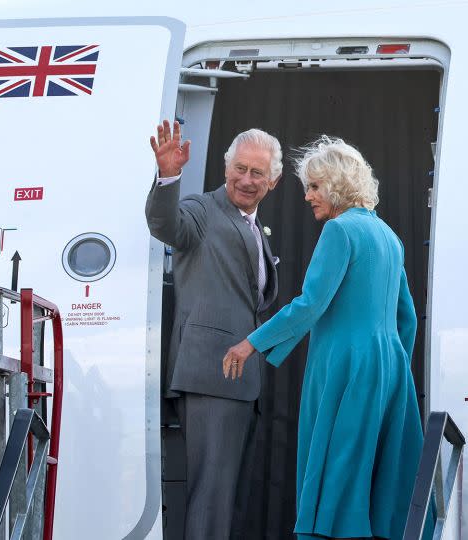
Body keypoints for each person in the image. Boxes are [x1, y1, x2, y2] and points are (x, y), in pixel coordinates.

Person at [222, 136, 423, 540]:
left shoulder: (339, 231)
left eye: (314, 186)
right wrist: (392, 363)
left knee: (336, 471)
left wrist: (252, 343)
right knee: (376, 478)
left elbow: (310, 305)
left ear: (336, 184)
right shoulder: (388, 237)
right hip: (390, 369)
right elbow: (409, 319)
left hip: (342, 367)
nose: (309, 196)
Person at [145, 120, 281, 539]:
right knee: (211, 498)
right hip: (211, 376)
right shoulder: (204, 211)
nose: (246, 179)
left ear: (272, 181)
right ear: (226, 168)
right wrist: (169, 176)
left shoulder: (255, 228)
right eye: (240, 168)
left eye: (257, 173)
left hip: (243, 382)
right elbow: (166, 225)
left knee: (230, 502)